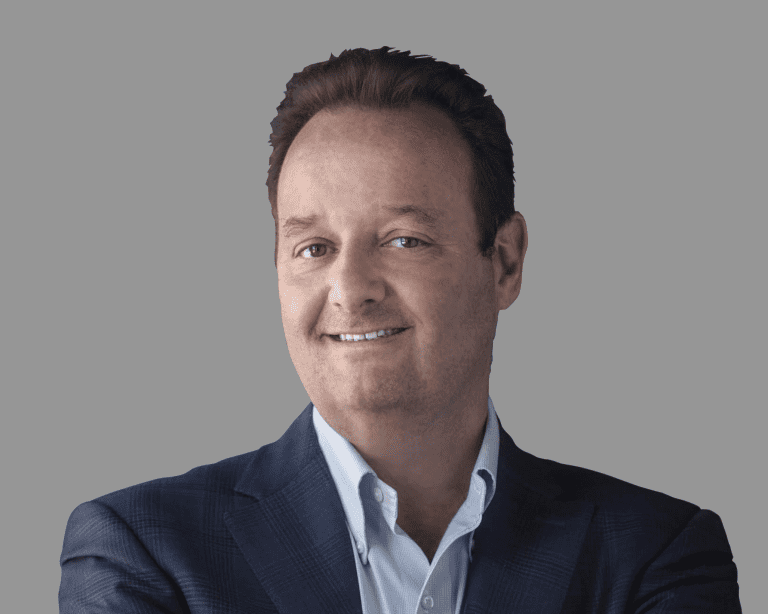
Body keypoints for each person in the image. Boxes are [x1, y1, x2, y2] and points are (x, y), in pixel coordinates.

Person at [59, 46, 741, 613]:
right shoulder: (144, 553)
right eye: (313, 248)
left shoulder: (655, 554)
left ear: (504, 263)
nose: (350, 288)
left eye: (404, 240)